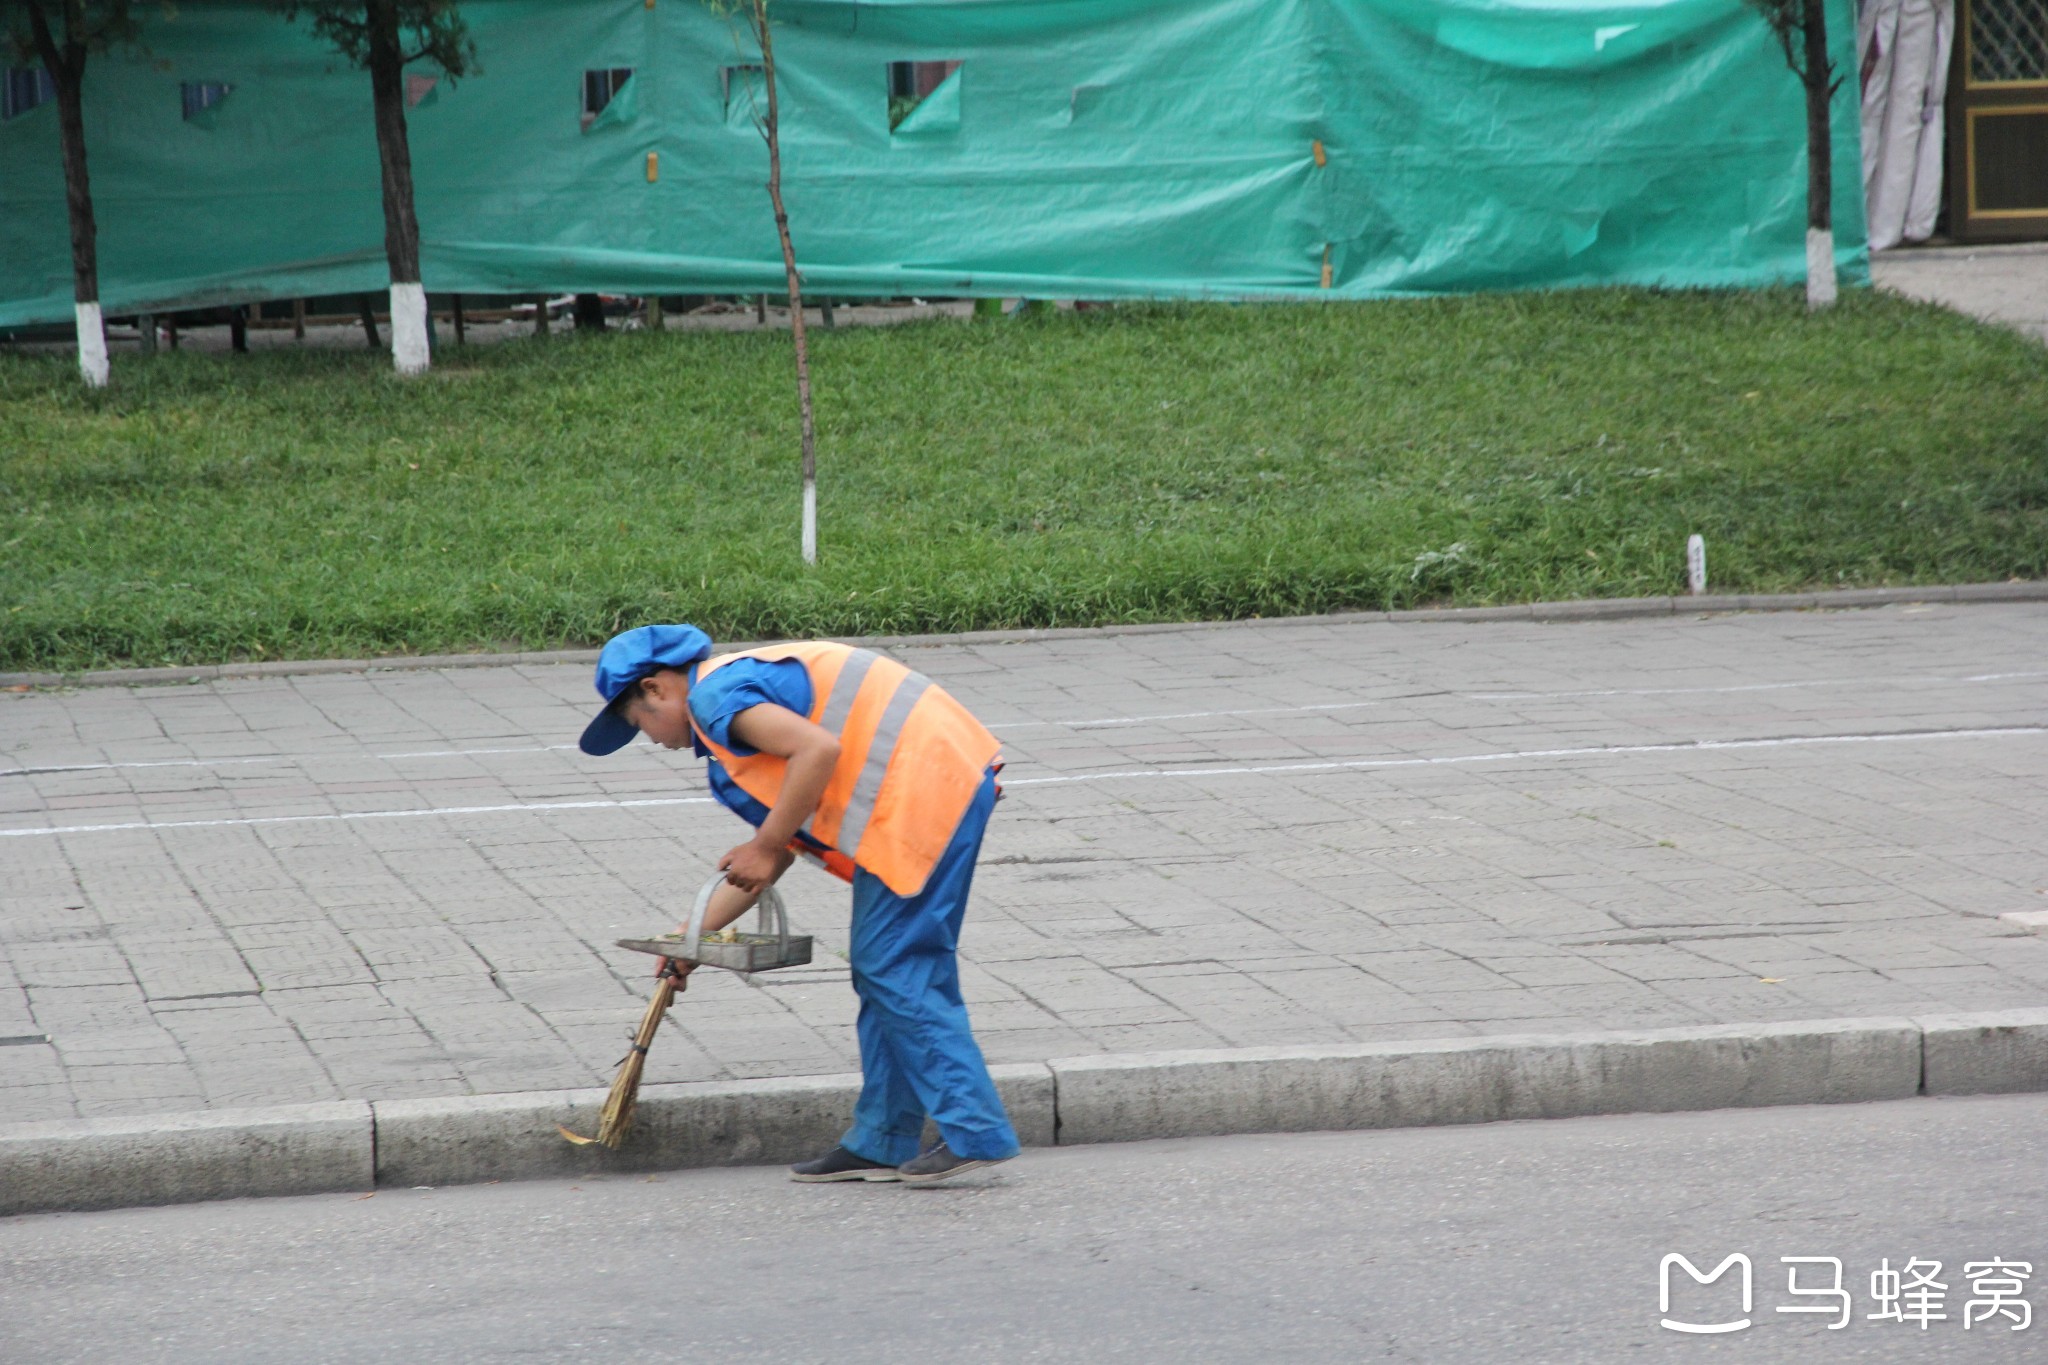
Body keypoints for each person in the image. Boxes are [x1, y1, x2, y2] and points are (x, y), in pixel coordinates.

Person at [578, 623, 1020, 1185]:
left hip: (923, 788)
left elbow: (818, 752)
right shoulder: (732, 705)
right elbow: (777, 847)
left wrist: (762, 845)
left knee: (892, 967)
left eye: (639, 724)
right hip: (927, 784)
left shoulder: (716, 699)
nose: (652, 739)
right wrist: (688, 940)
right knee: (887, 970)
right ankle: (882, 1140)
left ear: (657, 689)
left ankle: (975, 1130)